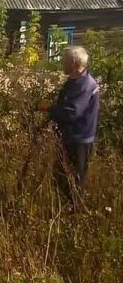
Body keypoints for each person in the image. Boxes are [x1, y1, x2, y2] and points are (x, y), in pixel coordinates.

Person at [46, 45, 100, 205]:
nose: (61, 64)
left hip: (79, 139)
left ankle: (73, 212)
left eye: (64, 61)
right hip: (71, 136)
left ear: (73, 62)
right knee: (63, 175)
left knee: (74, 179)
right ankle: (62, 210)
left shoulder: (84, 85)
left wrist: (49, 108)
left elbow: (72, 112)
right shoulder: (75, 81)